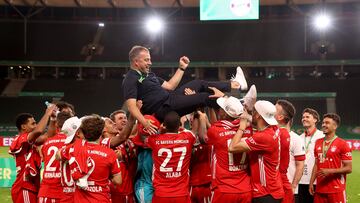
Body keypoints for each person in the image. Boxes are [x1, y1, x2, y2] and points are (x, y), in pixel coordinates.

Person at [123, 45, 248, 134]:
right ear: (136, 62)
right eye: (146, 60)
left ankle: (236, 85)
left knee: (199, 84)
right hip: (162, 108)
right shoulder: (130, 78)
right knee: (203, 97)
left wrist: (181, 68)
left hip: (170, 98)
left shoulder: (148, 75)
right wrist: (144, 122)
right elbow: (131, 106)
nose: (150, 62)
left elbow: (170, 86)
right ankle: (239, 107)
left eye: (150, 59)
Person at [229, 100, 284, 203]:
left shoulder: (263, 137)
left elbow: (232, 147)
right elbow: (258, 122)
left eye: (254, 112)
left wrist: (241, 127)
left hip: (265, 193)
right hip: (274, 189)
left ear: (258, 115)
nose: (252, 113)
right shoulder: (275, 128)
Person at [199, 96, 252, 203]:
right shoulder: (249, 129)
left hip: (224, 189)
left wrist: (201, 119)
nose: (219, 110)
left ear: (225, 113)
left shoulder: (215, 131)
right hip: (245, 189)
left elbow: (203, 138)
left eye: (221, 109)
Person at [9, 104, 58, 203]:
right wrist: (47, 113)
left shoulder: (33, 142)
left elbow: (49, 135)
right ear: (23, 126)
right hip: (23, 187)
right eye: (33, 123)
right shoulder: (19, 140)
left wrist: (53, 118)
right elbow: (39, 131)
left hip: (33, 187)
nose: (35, 126)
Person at [147, 111, 196, 203]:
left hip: (161, 194)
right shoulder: (188, 137)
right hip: (181, 194)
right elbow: (193, 132)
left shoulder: (154, 140)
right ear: (179, 125)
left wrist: (160, 130)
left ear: (164, 125)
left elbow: (144, 137)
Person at [72, 115, 122, 203]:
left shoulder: (74, 148)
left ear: (83, 132)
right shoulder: (110, 153)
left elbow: (58, 155)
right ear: (101, 132)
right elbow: (118, 181)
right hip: (101, 199)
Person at [309, 113, 352, 203]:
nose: (324, 125)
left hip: (336, 189)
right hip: (320, 189)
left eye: (327, 123)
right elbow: (316, 164)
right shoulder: (318, 142)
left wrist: (330, 171)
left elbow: (349, 168)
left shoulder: (343, 144)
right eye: (323, 123)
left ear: (335, 126)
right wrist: (311, 182)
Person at [38, 112, 72, 203]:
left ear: (57, 124)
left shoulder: (47, 142)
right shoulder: (72, 143)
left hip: (45, 192)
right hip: (64, 193)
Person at [275, 100, 299, 203]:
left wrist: (294, 185)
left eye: (274, 109)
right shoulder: (279, 133)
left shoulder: (280, 134)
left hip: (280, 184)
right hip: (277, 184)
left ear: (280, 117)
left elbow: (300, 165)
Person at [298, 108, 324, 203]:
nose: (304, 119)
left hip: (316, 182)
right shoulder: (299, 138)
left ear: (315, 119)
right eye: (303, 117)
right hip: (300, 181)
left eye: (307, 117)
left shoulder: (322, 136)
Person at [286, 120, 305, 203]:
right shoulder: (272, 136)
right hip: (273, 188)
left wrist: (293, 186)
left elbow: (300, 166)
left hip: (289, 186)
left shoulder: (296, 138)